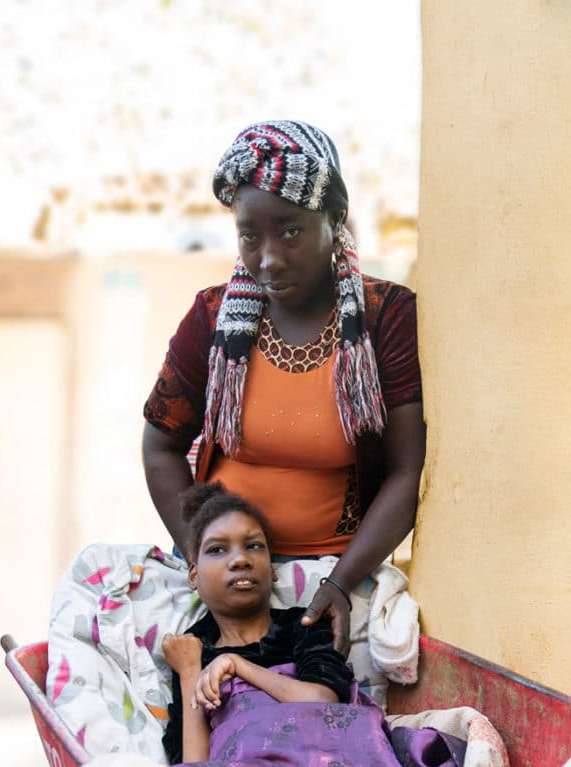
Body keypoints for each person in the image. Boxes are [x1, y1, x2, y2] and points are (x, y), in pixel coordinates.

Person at [142, 120, 425, 655]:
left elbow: (407, 471)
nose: (269, 257)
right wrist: (203, 559)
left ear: (334, 217)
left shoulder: (385, 318)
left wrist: (341, 583)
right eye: (251, 235)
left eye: (290, 231)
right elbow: (160, 446)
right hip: (224, 577)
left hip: (334, 574)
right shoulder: (211, 317)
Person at [161, 483, 463, 767]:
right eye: (218, 550)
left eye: (254, 546)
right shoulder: (191, 652)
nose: (240, 560)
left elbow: (323, 703)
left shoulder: (302, 625)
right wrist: (190, 674)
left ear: (273, 570)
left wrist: (237, 665)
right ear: (193, 575)